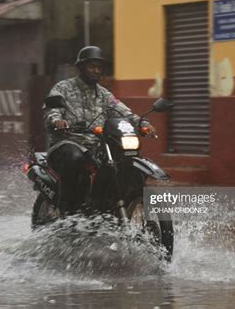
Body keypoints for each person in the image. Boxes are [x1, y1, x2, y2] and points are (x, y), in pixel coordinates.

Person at [43, 46, 155, 214]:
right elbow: (51, 109)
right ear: (81, 67)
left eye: (99, 67)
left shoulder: (104, 94)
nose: (96, 70)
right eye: (91, 66)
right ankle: (68, 211)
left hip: (96, 144)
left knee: (118, 161)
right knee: (74, 158)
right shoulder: (64, 88)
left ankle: (104, 205)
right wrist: (57, 120)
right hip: (67, 143)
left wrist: (142, 124)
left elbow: (124, 111)